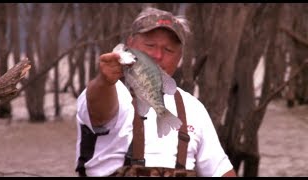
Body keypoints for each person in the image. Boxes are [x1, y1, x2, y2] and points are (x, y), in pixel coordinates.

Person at [75, 7, 237, 177]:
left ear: (180, 56)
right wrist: (104, 81)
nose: (158, 55)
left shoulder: (193, 108)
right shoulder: (109, 90)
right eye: (150, 45)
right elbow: (99, 114)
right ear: (130, 44)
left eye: (168, 50)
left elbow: (220, 170)